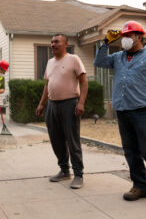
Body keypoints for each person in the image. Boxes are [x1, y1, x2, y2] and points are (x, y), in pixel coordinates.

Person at [94, 21, 146, 205]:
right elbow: (99, 62)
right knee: (131, 151)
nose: (125, 39)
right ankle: (140, 186)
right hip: (123, 111)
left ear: (139, 37)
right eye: (123, 36)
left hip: (143, 111)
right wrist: (105, 43)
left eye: (128, 36)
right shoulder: (118, 57)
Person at [36, 34, 88, 189]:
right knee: (56, 139)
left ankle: (78, 174)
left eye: (56, 42)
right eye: (51, 42)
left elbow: (84, 82)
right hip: (52, 105)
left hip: (70, 104)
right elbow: (47, 84)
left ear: (65, 44)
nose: (53, 44)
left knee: (72, 140)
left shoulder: (74, 59)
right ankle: (64, 170)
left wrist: (81, 103)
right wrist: (41, 104)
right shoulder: (50, 62)